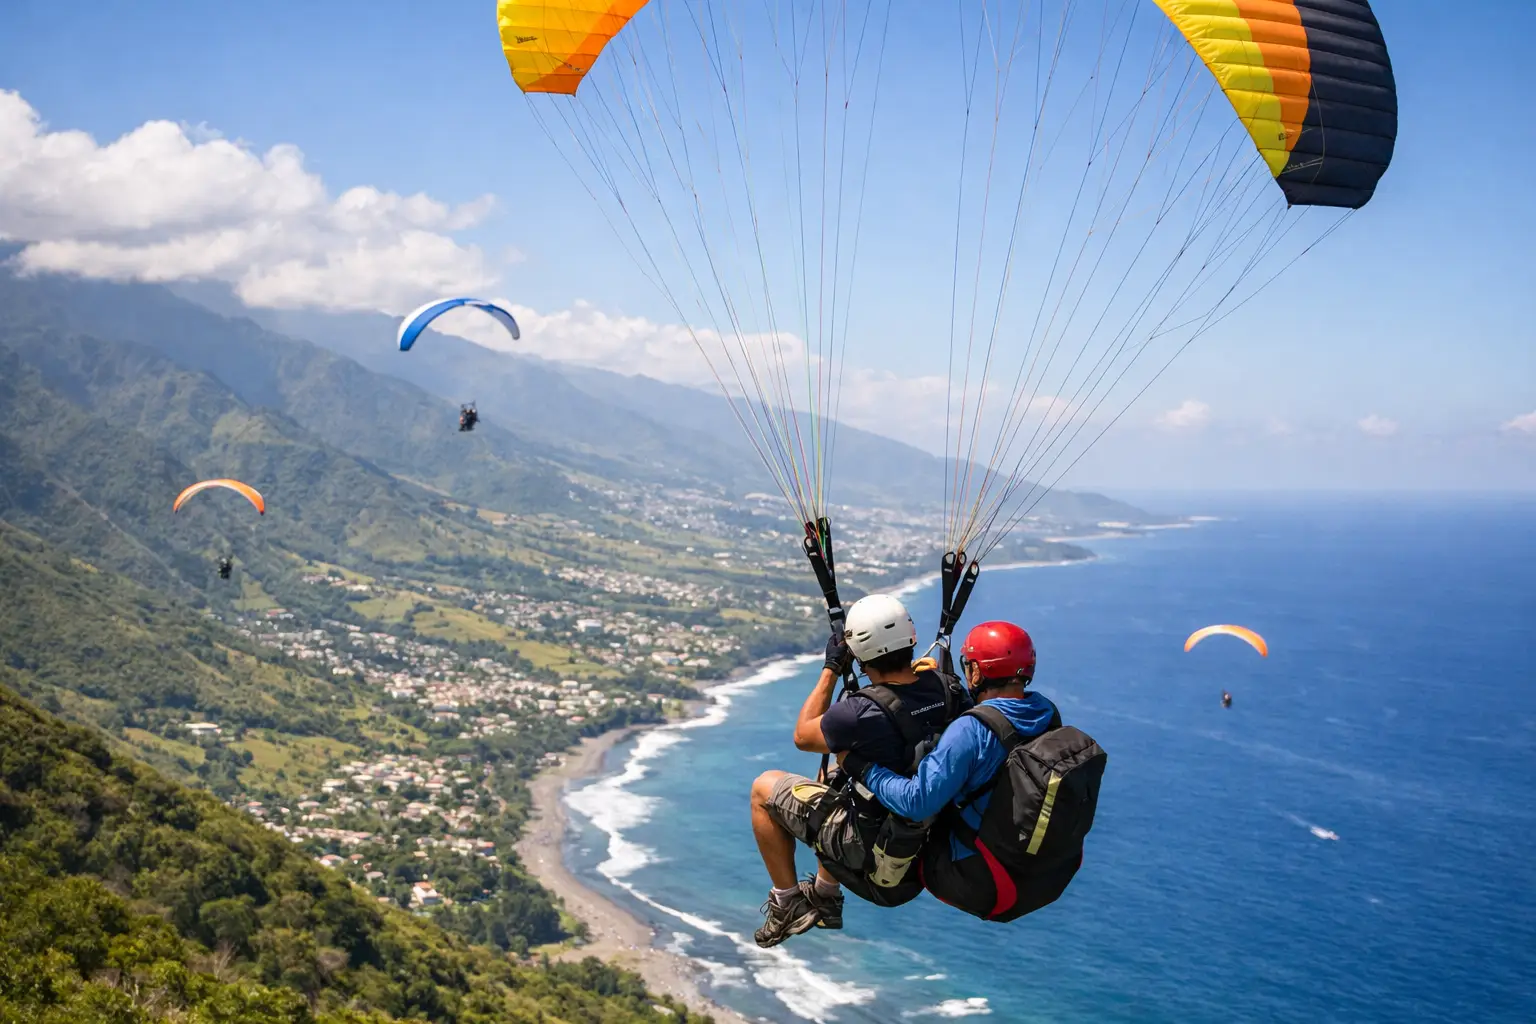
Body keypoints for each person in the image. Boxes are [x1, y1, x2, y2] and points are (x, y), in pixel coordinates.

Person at [844, 621, 1104, 923]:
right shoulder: (1046, 711)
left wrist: (861, 767)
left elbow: (916, 804)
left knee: (886, 795)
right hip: (1043, 878)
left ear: (978, 672)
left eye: (969, 665)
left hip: (983, 886)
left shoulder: (971, 731)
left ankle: (828, 890)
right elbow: (999, 723)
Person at [748, 594, 964, 947]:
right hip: (925, 843)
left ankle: (787, 903)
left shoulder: (860, 714)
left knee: (763, 789)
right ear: (911, 638)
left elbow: (803, 736)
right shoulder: (949, 688)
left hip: (869, 848)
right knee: (832, 775)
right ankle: (824, 894)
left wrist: (831, 668)